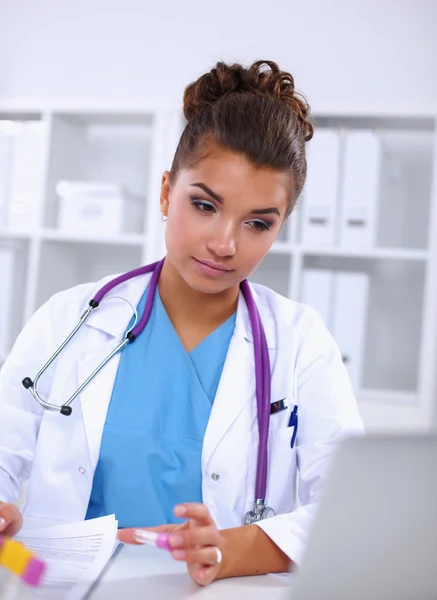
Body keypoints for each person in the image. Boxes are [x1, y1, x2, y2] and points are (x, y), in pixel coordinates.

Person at [0, 59, 363, 587]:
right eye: (204, 205)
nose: (226, 244)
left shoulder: (300, 342)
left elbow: (347, 508)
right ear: (167, 192)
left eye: (258, 222)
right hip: (55, 584)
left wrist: (231, 551)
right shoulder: (70, 319)